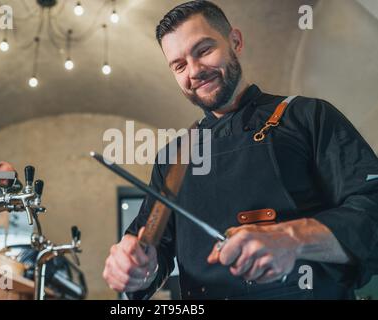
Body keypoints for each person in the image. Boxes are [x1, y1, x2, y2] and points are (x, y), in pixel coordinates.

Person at [102, 0, 378, 299]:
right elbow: (154, 253)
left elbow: (372, 210)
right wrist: (133, 268)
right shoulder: (173, 157)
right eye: (179, 65)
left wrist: (293, 239)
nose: (194, 71)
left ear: (236, 41)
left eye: (204, 50)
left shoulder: (309, 116)